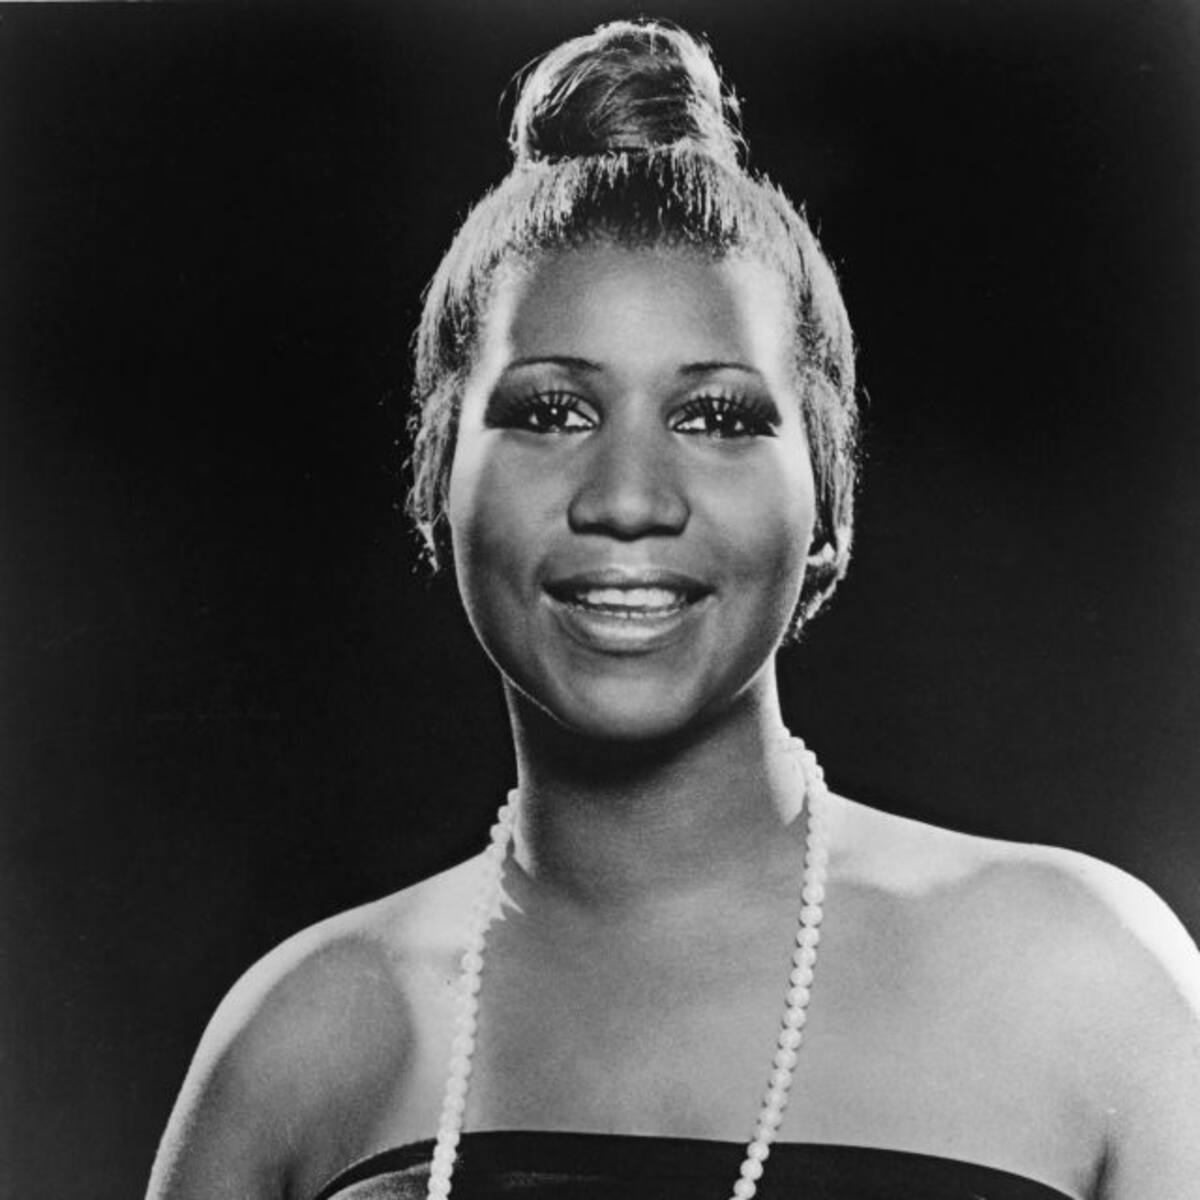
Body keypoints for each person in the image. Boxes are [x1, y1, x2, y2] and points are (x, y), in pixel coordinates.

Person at [146, 20, 1200, 1200]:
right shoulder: (304, 1043)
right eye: (551, 411)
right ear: (439, 483)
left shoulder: (1087, 986)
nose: (629, 500)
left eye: (718, 416)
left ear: (826, 503)